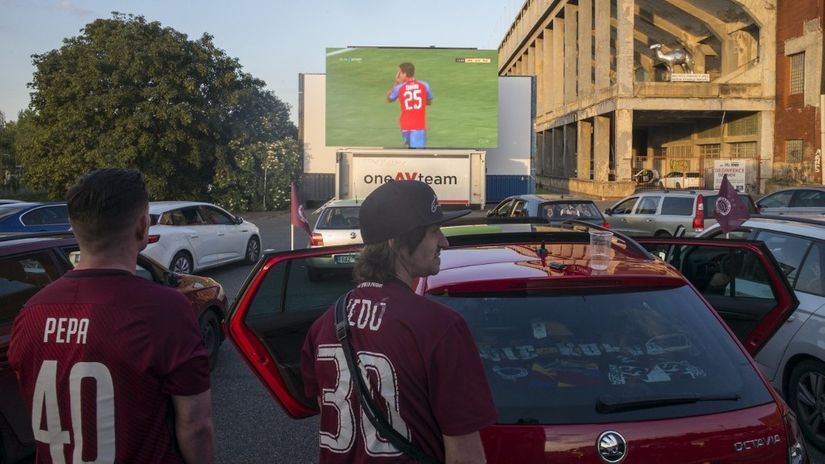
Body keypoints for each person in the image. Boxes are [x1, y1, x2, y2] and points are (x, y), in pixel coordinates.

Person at [8, 168, 215, 464]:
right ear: (143, 227)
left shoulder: (30, 312)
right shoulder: (164, 309)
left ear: (74, 227)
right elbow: (196, 426)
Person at [301, 180, 496, 463]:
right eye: (434, 231)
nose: (444, 241)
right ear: (397, 244)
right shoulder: (441, 328)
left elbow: (331, 412)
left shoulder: (326, 321)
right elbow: (465, 456)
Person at [387, 62, 433, 148]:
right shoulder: (424, 85)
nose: (399, 75)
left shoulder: (399, 88)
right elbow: (429, 102)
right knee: (419, 155)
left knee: (410, 152)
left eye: (400, 72)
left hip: (405, 126)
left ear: (404, 74)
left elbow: (389, 99)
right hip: (418, 126)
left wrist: (397, 83)